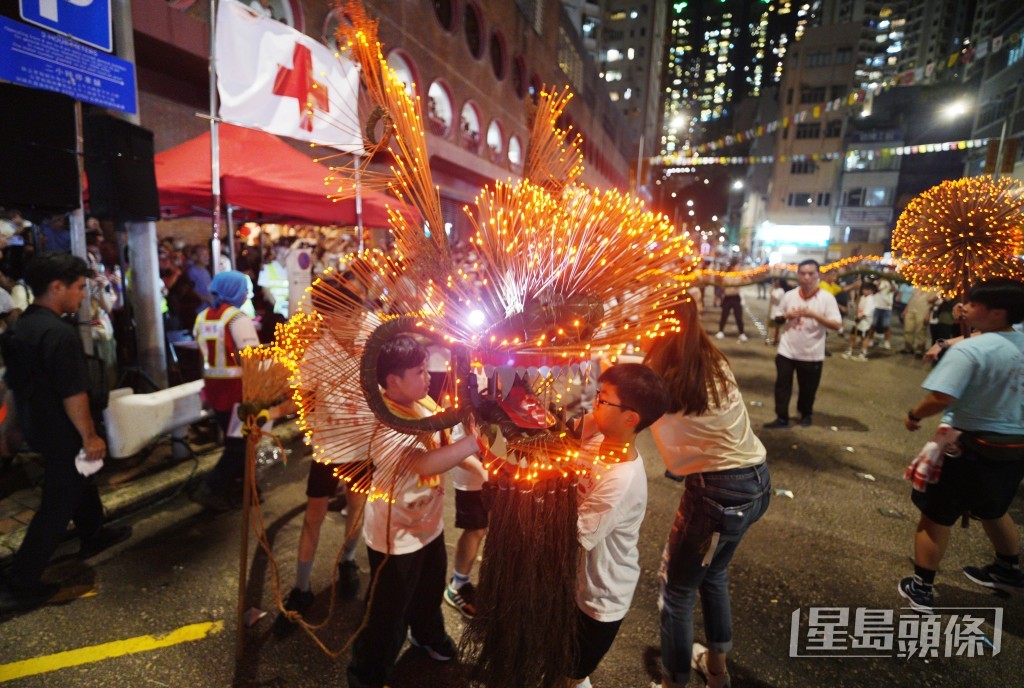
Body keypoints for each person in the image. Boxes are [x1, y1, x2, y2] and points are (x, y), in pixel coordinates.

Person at [645, 301, 771, 688]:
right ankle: (717, 672)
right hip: (756, 481)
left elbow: (625, 401)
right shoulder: (711, 360)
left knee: (678, 590)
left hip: (718, 497)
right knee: (713, 573)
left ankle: (674, 683)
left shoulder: (661, 380)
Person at [346, 334, 482, 688]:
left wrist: (485, 473)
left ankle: (427, 636)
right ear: (393, 380)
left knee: (428, 592)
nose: (428, 377)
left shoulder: (422, 402)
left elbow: (446, 447)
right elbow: (425, 463)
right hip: (396, 536)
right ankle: (366, 675)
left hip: (429, 525)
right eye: (420, 371)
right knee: (386, 613)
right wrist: (475, 442)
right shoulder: (384, 421)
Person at [0, 253, 132, 615]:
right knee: (58, 502)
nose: (82, 295)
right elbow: (73, 393)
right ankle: (20, 582)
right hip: (63, 430)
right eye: (78, 287)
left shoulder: (19, 328)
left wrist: (10, 428)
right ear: (56, 287)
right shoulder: (59, 334)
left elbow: (14, 385)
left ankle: (93, 532)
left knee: (79, 481)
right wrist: (90, 436)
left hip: (37, 425)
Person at [899, 279, 1024, 613]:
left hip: (968, 444)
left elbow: (941, 397)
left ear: (997, 312)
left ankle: (921, 587)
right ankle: (1007, 569)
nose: (964, 307)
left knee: (936, 515)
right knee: (993, 508)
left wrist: (914, 414)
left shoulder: (971, 351)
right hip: (1015, 446)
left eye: (973, 303)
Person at [272, 278, 368, 637]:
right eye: (347, 314)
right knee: (314, 514)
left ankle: (348, 561)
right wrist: (266, 414)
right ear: (327, 318)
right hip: (328, 446)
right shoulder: (317, 354)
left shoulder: (370, 347)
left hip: (363, 445)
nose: (356, 320)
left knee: (357, 506)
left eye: (358, 312)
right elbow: (300, 399)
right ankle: (302, 587)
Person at [569, 363, 670, 688]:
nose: (594, 404)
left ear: (630, 419)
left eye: (603, 400)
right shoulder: (598, 438)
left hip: (599, 598)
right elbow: (565, 437)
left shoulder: (621, 481)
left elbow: (575, 536)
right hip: (577, 585)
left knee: (569, 675)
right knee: (562, 666)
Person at [190, 271, 261, 511]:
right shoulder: (237, 318)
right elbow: (251, 358)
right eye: (244, 289)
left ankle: (244, 490)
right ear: (234, 291)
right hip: (238, 391)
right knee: (240, 445)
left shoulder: (202, 317)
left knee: (237, 442)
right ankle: (211, 488)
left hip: (214, 390)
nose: (247, 293)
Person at [764, 260, 842, 429]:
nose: (807, 277)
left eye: (811, 273)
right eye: (803, 273)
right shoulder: (790, 295)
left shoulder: (826, 298)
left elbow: (837, 325)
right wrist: (787, 316)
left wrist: (813, 315)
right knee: (782, 385)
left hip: (812, 353)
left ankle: (806, 414)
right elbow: (776, 319)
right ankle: (781, 417)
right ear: (798, 275)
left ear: (818, 275)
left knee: (808, 388)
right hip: (787, 350)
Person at [841, 281, 877, 362]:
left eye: (866, 289)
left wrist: (859, 318)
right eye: (864, 289)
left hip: (865, 322)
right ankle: (850, 351)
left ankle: (863, 354)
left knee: (864, 338)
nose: (864, 291)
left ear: (871, 291)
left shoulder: (870, 300)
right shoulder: (863, 297)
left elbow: (866, 312)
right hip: (858, 320)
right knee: (852, 335)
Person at [714, 261, 748, 342]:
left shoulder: (740, 275)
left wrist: (744, 277)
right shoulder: (727, 276)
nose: (738, 268)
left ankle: (742, 333)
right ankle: (720, 331)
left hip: (736, 297)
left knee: (738, 316)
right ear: (733, 267)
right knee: (724, 315)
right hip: (728, 297)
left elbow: (747, 282)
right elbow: (722, 286)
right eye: (737, 266)